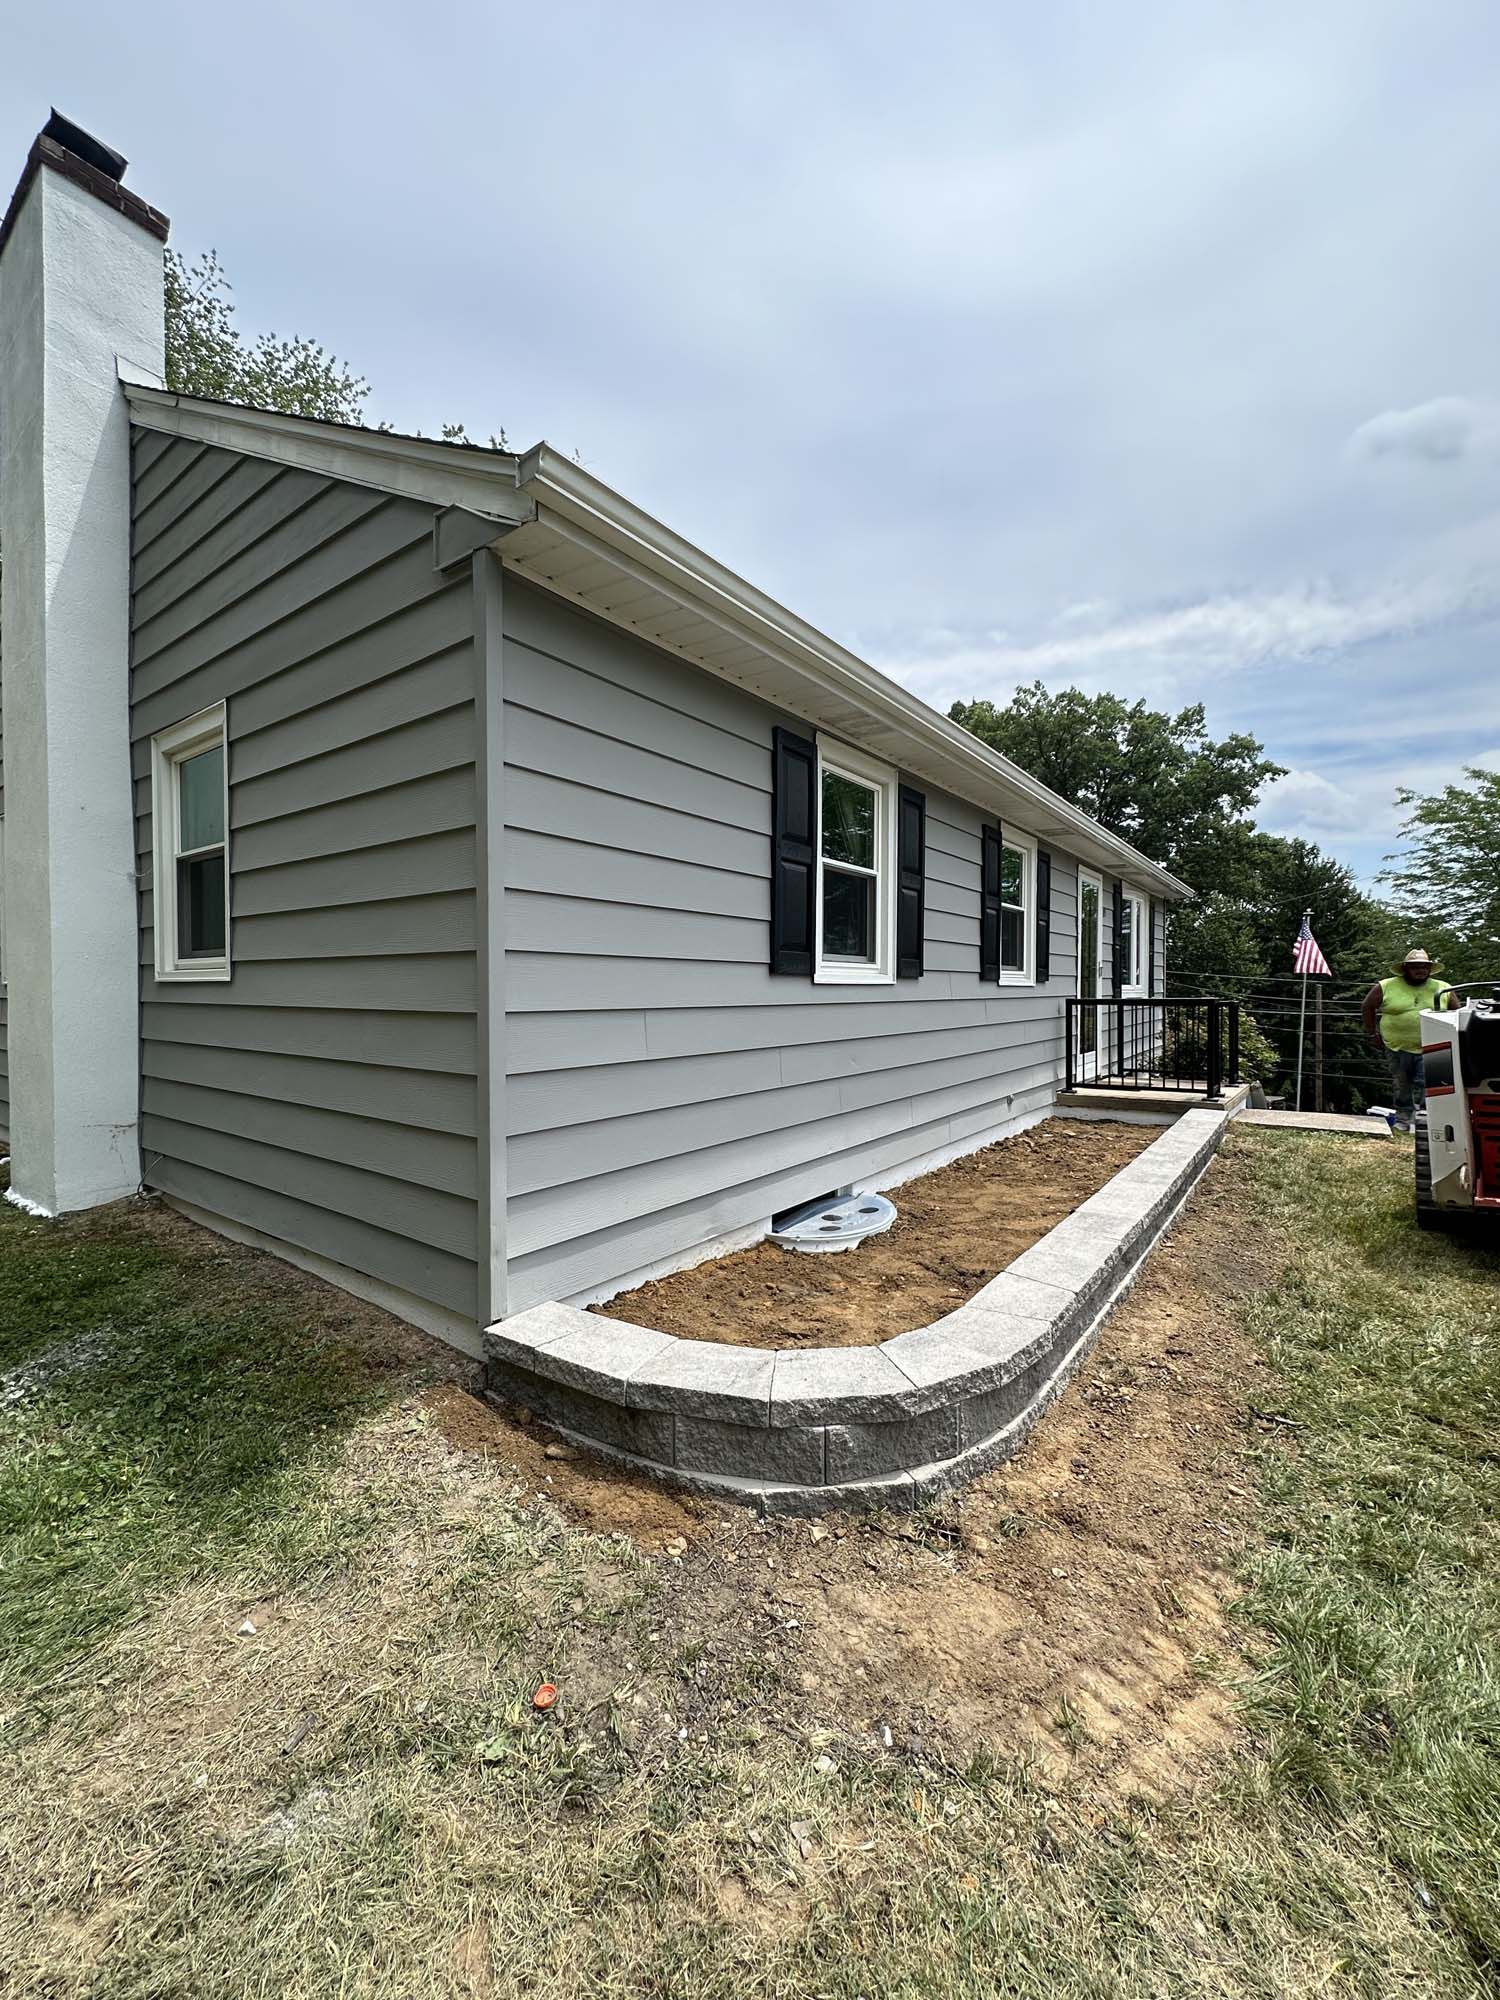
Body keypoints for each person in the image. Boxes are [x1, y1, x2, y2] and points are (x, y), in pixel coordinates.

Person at [1361, 948, 1456, 1132]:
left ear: (1430, 969)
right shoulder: (1386, 986)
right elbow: (1367, 1007)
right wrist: (1372, 1033)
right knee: (1401, 1083)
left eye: (1424, 967)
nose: (1420, 970)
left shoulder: (1443, 987)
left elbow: (1456, 1012)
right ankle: (1403, 1120)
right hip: (1396, 1045)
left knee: (1430, 1084)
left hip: (1434, 1046)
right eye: (1415, 967)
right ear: (1405, 969)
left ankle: (1427, 1121)